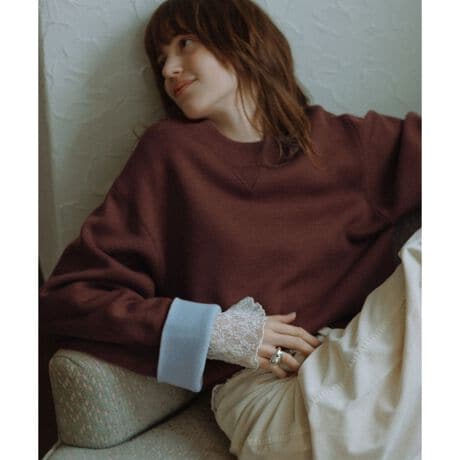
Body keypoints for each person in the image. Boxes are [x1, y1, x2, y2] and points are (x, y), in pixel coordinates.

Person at [39, 0, 421, 457]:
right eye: (161, 58)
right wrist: (214, 332)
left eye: (185, 43)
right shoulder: (169, 157)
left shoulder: (345, 144)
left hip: (372, 362)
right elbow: (69, 297)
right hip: (273, 395)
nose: (169, 69)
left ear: (243, 40)